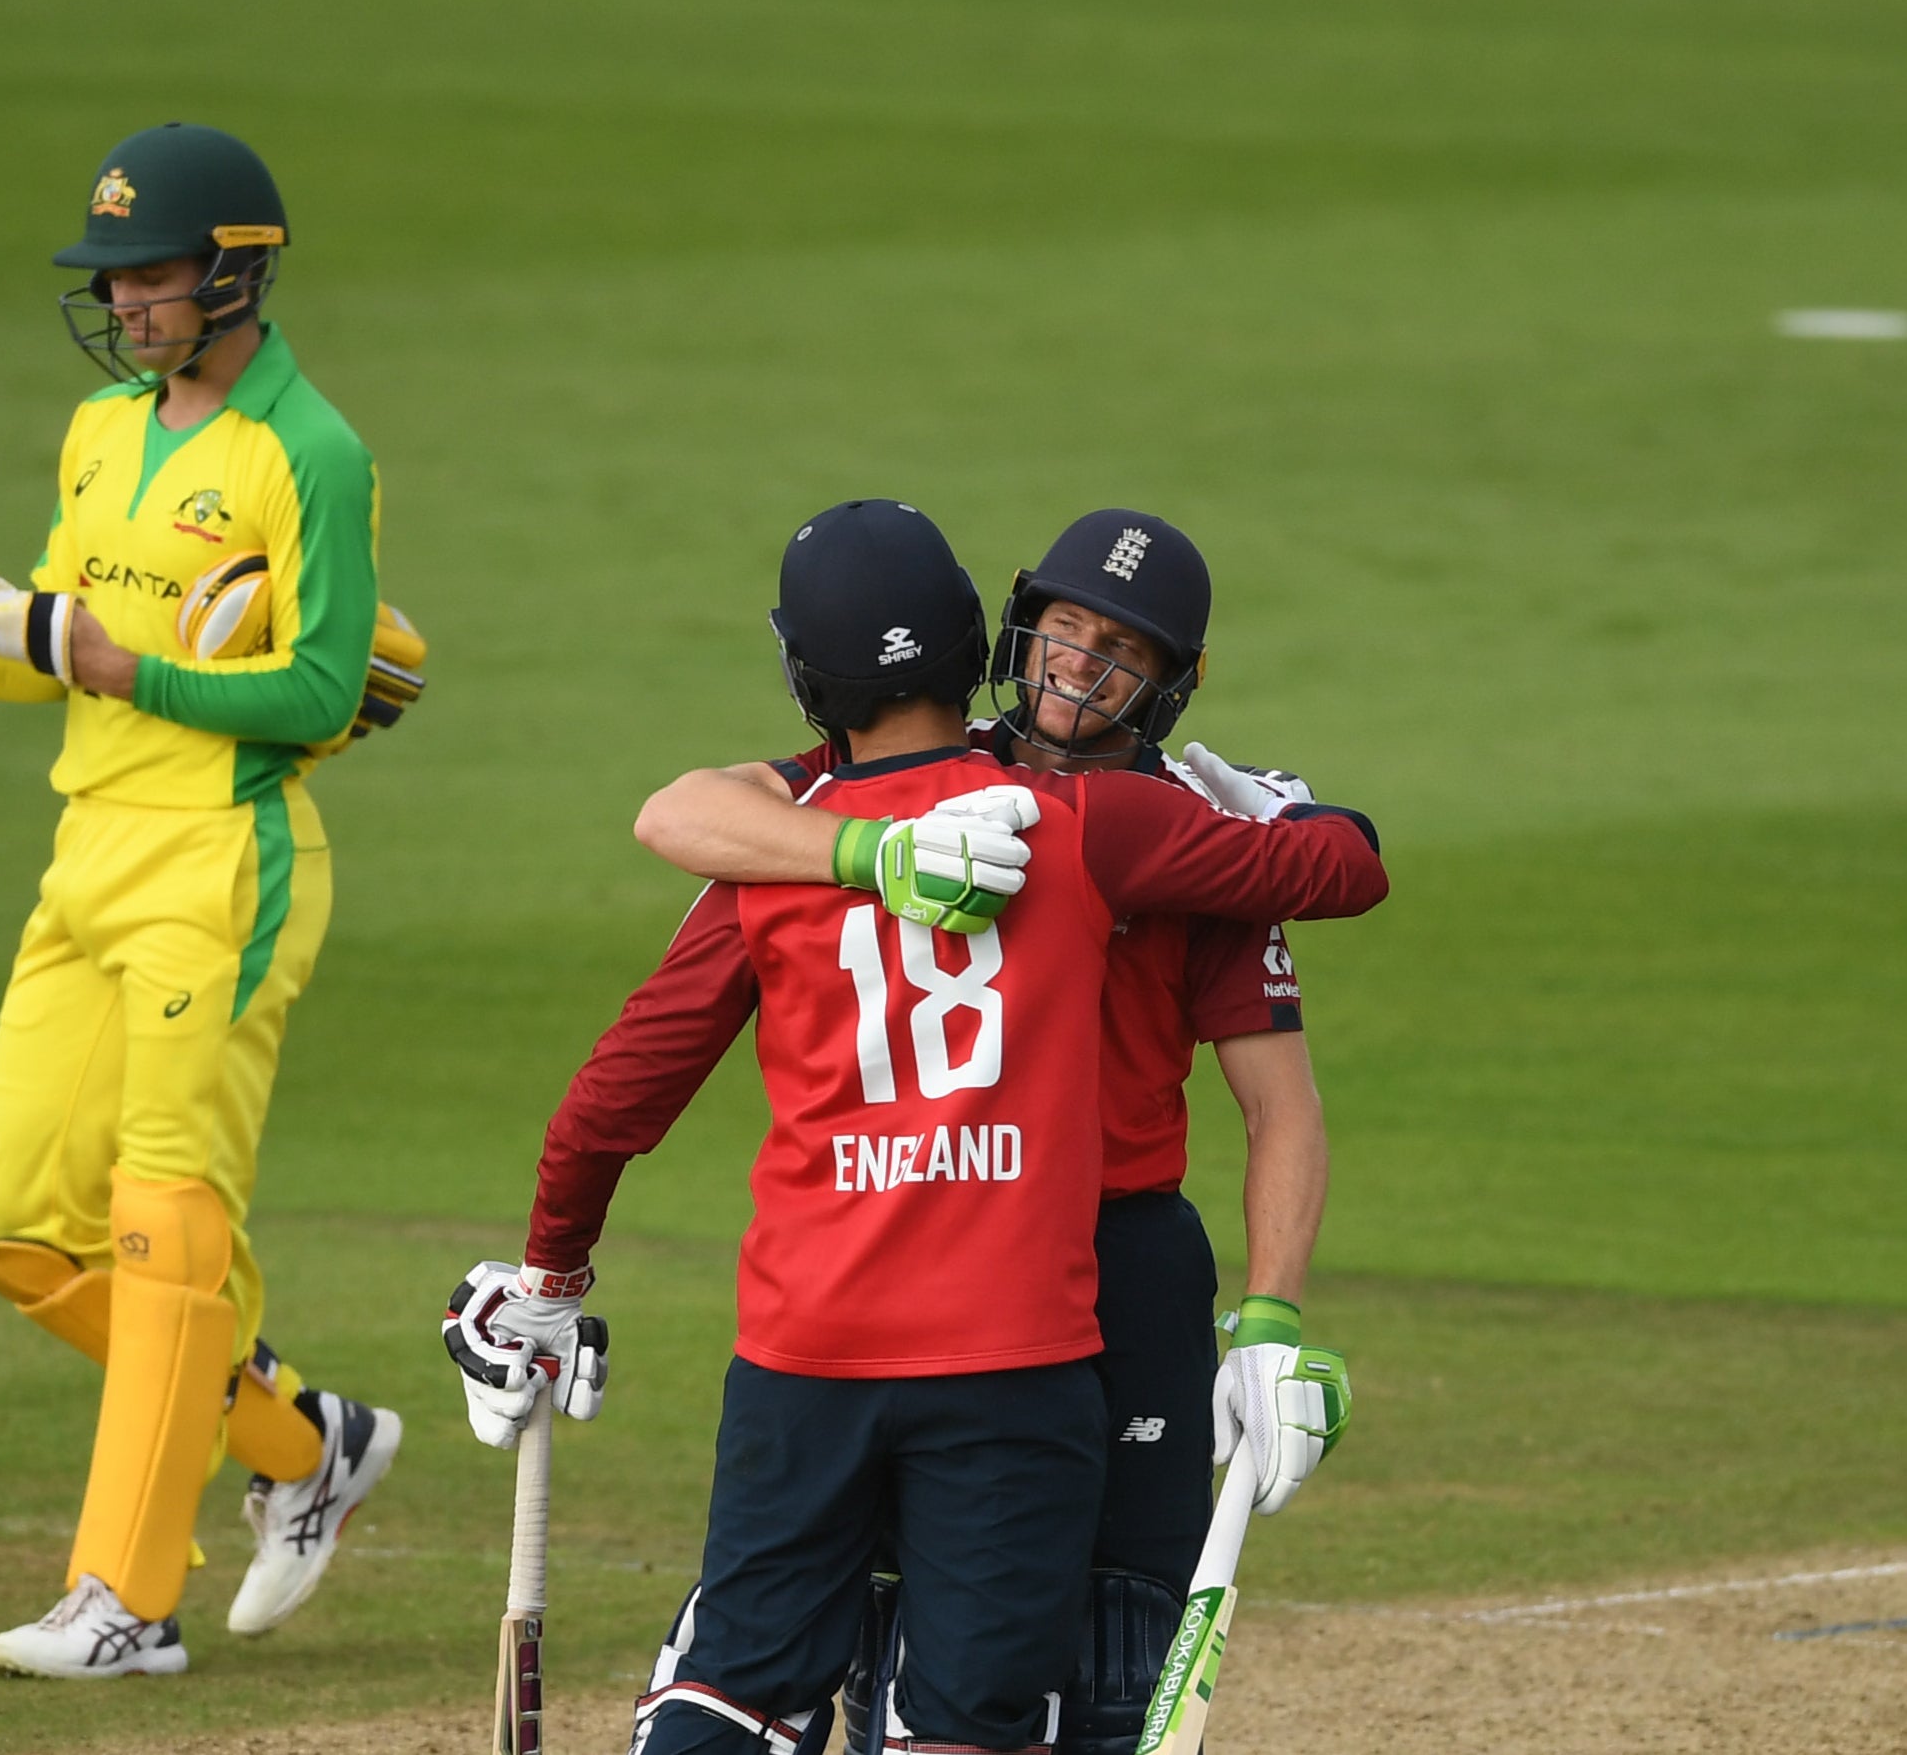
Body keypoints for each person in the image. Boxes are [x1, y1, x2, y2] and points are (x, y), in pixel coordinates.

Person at [441, 500, 1387, 1753]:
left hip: (1000, 1284)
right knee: (970, 1684)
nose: (1080, 669)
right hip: (1005, 1313)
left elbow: (1286, 1090)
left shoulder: (1146, 826)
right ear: (998, 632)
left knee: (1052, 1662)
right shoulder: (1058, 824)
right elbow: (1349, 867)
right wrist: (866, 853)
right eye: (1062, 631)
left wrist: (1270, 1315)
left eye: (1125, 652)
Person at [0, 122, 416, 1677]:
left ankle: (126, 1599)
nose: (124, 301)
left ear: (234, 274)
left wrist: (114, 660)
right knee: (17, 1222)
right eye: (111, 278)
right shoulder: (100, 427)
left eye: (147, 274)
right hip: (86, 852)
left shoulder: (312, 454)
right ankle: (304, 1439)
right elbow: (55, 637)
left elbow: (325, 687)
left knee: (166, 1226)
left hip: (223, 865)